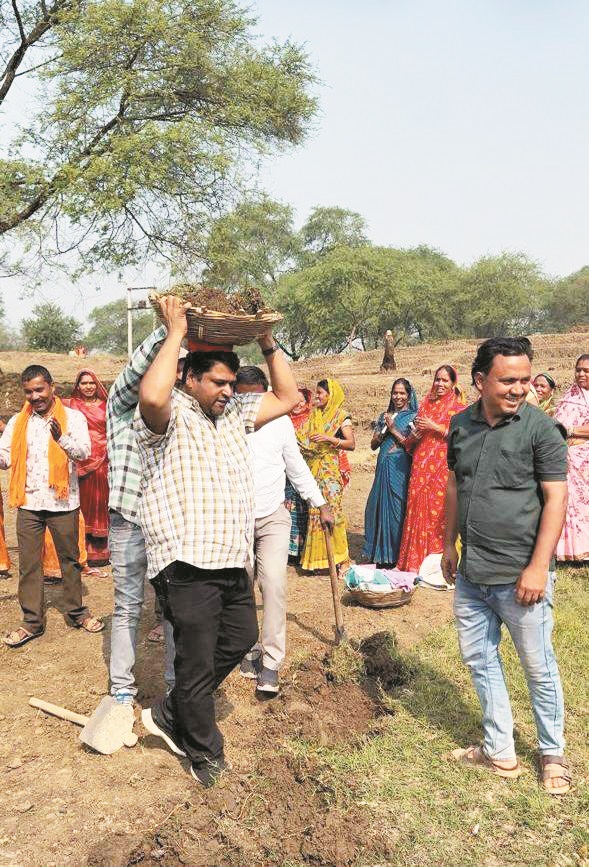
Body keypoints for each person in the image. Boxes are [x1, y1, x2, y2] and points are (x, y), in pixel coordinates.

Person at [136, 297, 299, 787]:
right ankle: (205, 753)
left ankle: (171, 712)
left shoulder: (235, 414)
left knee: (241, 639)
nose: (228, 390)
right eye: (218, 382)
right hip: (185, 562)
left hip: (230, 557)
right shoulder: (168, 417)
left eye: (232, 383)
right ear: (191, 378)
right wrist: (175, 333)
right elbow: (149, 395)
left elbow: (289, 397)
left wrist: (268, 343)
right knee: (196, 657)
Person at [442, 337, 570, 795]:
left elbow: (556, 499)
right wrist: (448, 545)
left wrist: (538, 567)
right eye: (508, 380)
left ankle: (552, 753)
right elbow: (455, 487)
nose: (519, 389)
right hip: (473, 573)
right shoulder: (460, 425)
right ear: (480, 381)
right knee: (480, 660)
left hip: (521, 576)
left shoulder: (541, 430)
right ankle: (500, 749)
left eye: (525, 380)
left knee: (538, 666)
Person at [235, 367, 334, 695]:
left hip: (274, 517)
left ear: (267, 395)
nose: (249, 401)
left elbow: (297, 468)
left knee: (274, 585)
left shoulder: (280, 424)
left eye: (255, 395)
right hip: (236, 520)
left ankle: (271, 662)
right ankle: (248, 648)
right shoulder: (227, 422)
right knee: (240, 587)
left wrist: (321, 503)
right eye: (242, 394)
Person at [0, 364, 103, 647]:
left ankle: (76, 612)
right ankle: (32, 621)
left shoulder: (72, 418)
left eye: (39, 390)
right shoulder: (18, 423)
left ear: (52, 387)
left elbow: (83, 453)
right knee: (29, 565)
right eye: (29, 392)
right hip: (29, 503)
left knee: (70, 561)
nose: (34, 397)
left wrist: (61, 438)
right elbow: (5, 457)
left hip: (63, 502)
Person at [106, 326, 177, 704]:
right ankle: (121, 687)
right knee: (128, 606)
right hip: (129, 522)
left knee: (174, 608)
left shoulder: (174, 413)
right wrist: (170, 329)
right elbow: (134, 372)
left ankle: (174, 687)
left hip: (168, 523)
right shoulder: (119, 409)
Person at [396, 366, 466, 572]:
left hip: (443, 467)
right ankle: (414, 562)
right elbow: (411, 441)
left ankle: (437, 563)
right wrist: (415, 437)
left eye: (445, 380)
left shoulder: (459, 408)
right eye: (437, 380)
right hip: (420, 464)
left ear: (453, 383)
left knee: (439, 512)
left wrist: (434, 426)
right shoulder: (425, 405)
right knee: (417, 508)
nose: (440, 384)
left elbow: (462, 436)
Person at [296, 379, 355, 575]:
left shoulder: (340, 417)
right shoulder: (314, 416)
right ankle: (320, 561)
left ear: (331, 395)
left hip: (330, 471)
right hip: (314, 470)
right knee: (316, 512)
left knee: (334, 513)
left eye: (320, 393)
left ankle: (343, 561)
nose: (317, 396)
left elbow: (351, 444)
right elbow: (303, 439)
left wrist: (329, 439)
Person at [363, 378, 418, 567]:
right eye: (395, 393)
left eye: (402, 393)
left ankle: (394, 555)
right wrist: (381, 432)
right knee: (376, 506)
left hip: (400, 467)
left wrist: (393, 429)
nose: (398, 396)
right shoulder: (384, 416)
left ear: (409, 395)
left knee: (396, 507)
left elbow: (410, 444)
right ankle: (378, 554)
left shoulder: (414, 417)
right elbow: (372, 445)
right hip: (383, 464)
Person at [69, 369, 110, 565]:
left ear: (97, 385)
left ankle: (101, 550)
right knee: (82, 502)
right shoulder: (71, 406)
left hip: (102, 460)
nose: (88, 387)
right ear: (77, 386)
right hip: (80, 459)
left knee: (101, 502)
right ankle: (82, 548)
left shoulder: (107, 406)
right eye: (83, 383)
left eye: (91, 383)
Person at [554, 354, 589, 563]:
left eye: (586, 370)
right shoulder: (569, 396)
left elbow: (566, 428)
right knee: (563, 500)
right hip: (563, 456)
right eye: (578, 369)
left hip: (584, 459)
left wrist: (571, 431)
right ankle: (565, 550)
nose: (581, 374)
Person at [284, 388, 314, 560]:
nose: (298, 404)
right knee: (288, 509)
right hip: (285, 473)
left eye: (301, 400)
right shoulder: (283, 420)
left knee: (304, 509)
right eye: (295, 400)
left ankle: (303, 550)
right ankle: (289, 550)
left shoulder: (311, 420)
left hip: (305, 470)